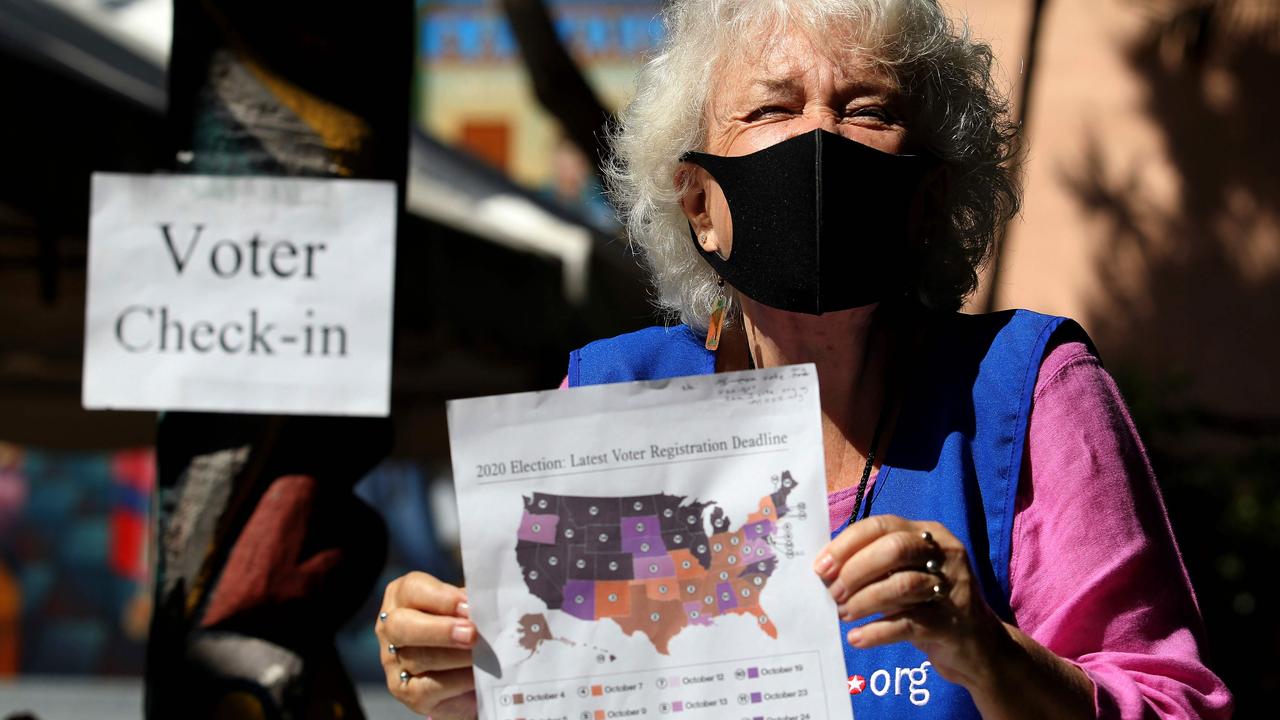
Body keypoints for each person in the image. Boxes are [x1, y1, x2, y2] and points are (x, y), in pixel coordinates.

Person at [375, 1, 1233, 717]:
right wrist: (463, 683)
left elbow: (1174, 704)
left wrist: (987, 655)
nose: (820, 139)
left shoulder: (1028, 389)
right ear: (700, 203)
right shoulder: (608, 396)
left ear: (927, 199)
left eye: (867, 108)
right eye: (772, 109)